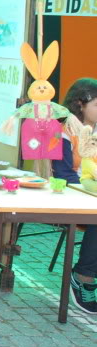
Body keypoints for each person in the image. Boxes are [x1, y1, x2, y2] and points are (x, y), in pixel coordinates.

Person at [52, 77, 97, 314]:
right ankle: (83, 277)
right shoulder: (62, 132)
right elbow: (62, 176)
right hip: (70, 196)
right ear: (80, 105)